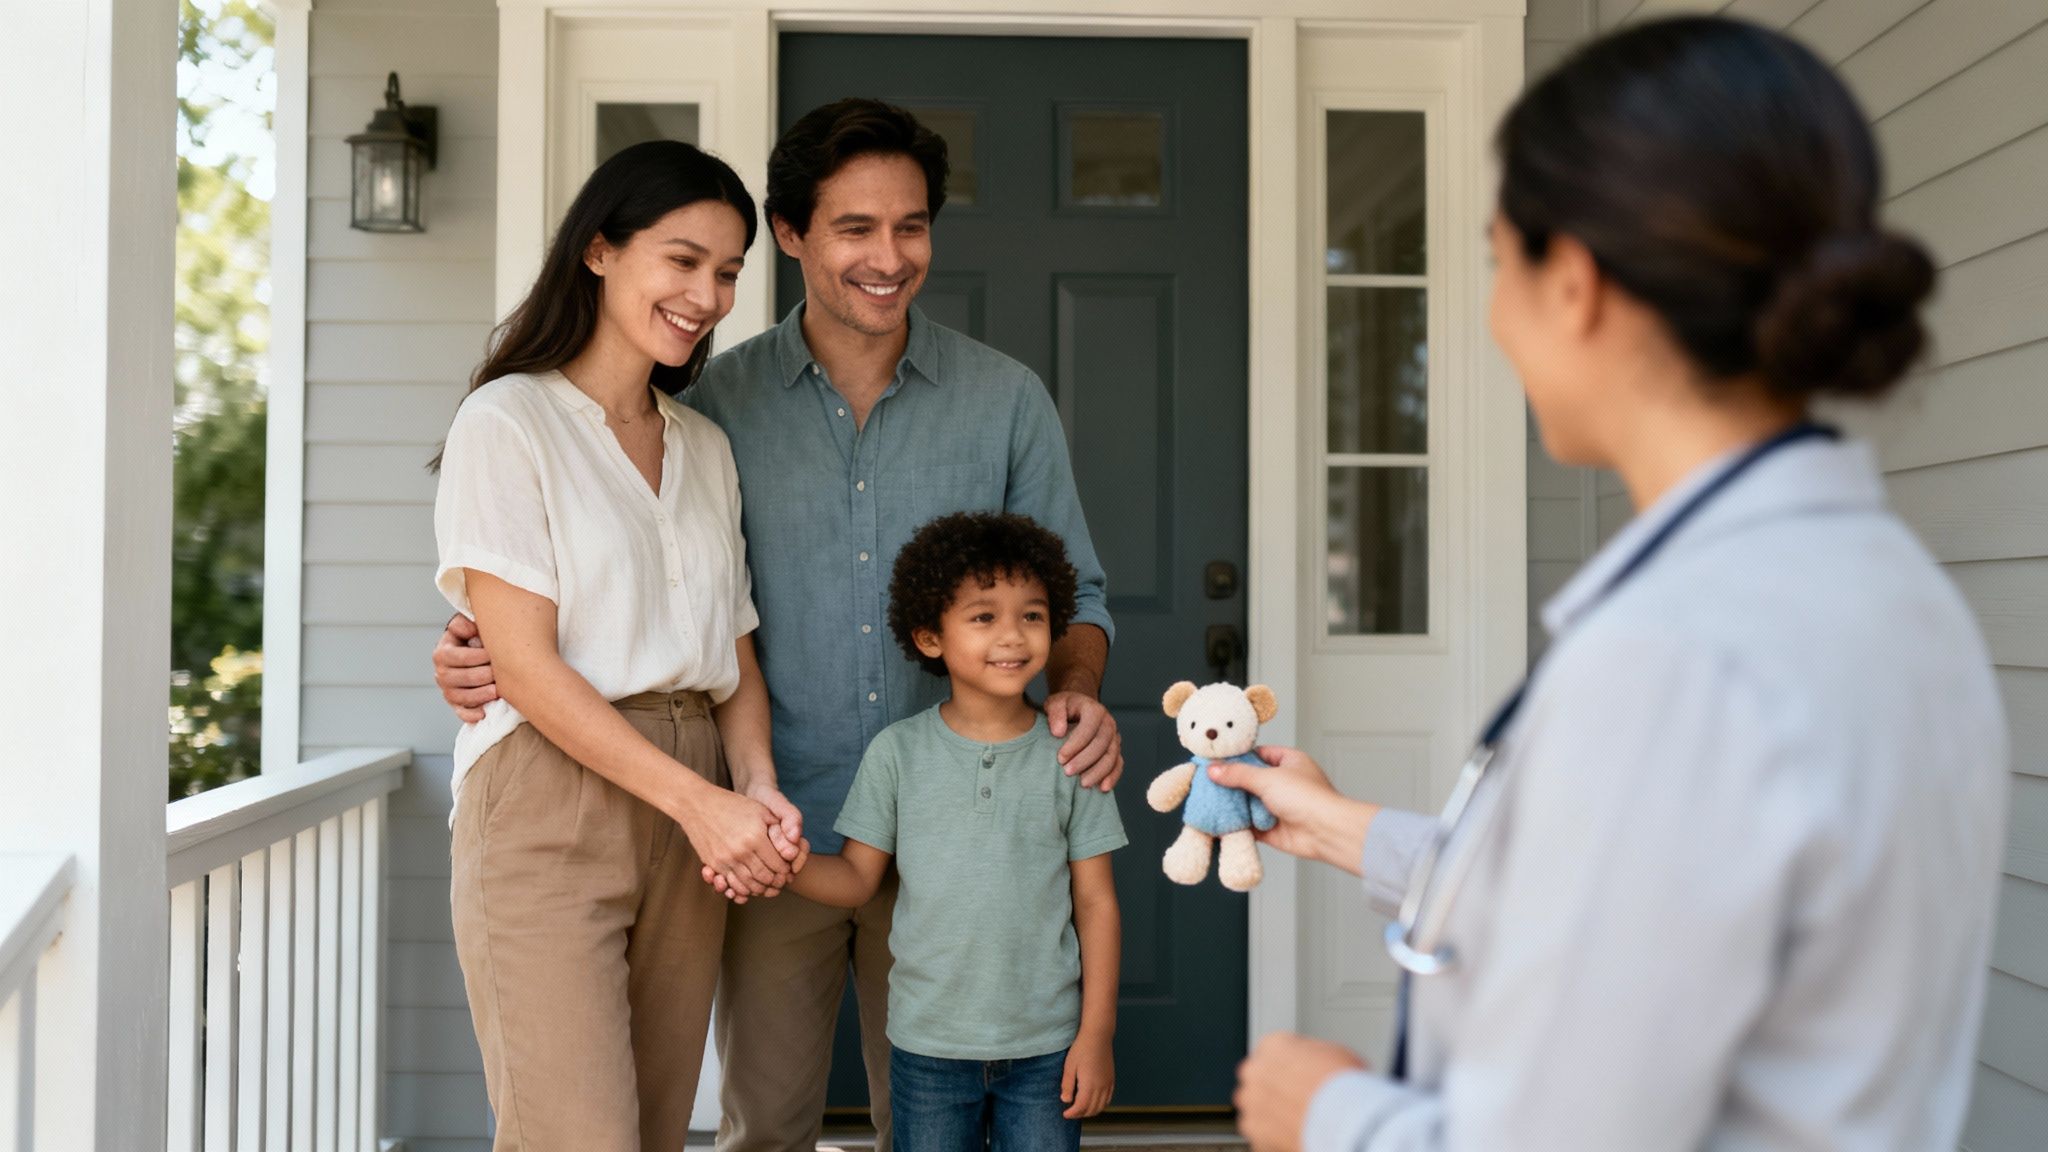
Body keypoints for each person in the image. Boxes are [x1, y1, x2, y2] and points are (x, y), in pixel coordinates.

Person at [1220, 17, 2008, 1151]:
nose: (1491, 317)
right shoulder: (1895, 598)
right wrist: (1341, 827)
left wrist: (1325, 1115)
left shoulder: (1675, 658)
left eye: (1499, 264)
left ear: (1575, 285)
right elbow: (1649, 911)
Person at [432, 99, 1123, 1149]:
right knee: (758, 1125)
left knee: (948, 1128)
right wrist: (477, 647)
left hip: (951, 837)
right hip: (769, 839)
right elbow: (573, 592)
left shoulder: (998, 401)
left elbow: (1079, 602)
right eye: (853, 228)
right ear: (794, 235)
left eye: (911, 226)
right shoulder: (715, 403)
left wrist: (1072, 689)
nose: (888, 256)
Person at [430, 139, 803, 1152]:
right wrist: (704, 805)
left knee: (648, 1132)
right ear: (598, 250)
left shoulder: (705, 446)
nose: (707, 295)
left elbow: (731, 654)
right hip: (553, 791)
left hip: (694, 797)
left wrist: (756, 788)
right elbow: (523, 662)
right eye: (681, 261)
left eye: (726, 272)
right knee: (574, 1135)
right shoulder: (507, 421)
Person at [724, 511, 1125, 1150]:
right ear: (930, 638)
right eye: (984, 616)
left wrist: (1096, 1033)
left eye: (1032, 614)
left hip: (1047, 1049)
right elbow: (857, 878)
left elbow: (1097, 902)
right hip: (927, 1051)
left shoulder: (1071, 756)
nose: (1014, 635)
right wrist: (786, 858)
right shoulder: (897, 754)